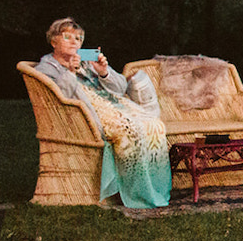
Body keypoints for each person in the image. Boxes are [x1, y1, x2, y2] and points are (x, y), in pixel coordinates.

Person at [36, 17, 171, 209]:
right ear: (53, 41)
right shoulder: (46, 68)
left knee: (154, 126)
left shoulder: (87, 61)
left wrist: (104, 72)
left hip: (116, 105)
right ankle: (136, 192)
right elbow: (62, 98)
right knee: (131, 131)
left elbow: (121, 87)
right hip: (90, 114)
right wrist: (71, 70)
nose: (75, 42)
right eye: (68, 37)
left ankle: (153, 188)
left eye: (79, 38)